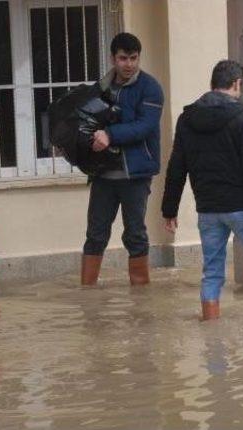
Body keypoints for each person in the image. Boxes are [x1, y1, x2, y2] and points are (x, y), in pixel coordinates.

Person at [161, 60, 243, 321]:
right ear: (237, 84)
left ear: (212, 85)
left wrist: (169, 210)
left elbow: (176, 167)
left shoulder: (187, 119)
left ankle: (211, 334)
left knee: (212, 271)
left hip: (208, 210)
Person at [81, 32, 164, 286]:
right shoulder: (102, 87)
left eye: (134, 58)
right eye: (123, 58)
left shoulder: (150, 88)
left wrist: (109, 134)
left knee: (135, 234)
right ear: (113, 58)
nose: (129, 64)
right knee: (95, 235)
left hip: (135, 175)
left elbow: (144, 127)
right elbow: (87, 121)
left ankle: (140, 296)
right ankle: (87, 294)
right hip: (103, 175)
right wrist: (85, 142)